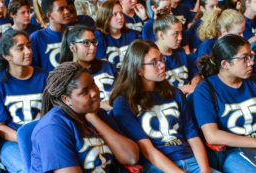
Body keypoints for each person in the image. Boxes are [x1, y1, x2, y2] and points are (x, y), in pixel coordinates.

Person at [109, 39, 216, 173]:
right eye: (154, 62)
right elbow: (147, 150)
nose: (162, 65)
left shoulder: (175, 93)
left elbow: (193, 136)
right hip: (158, 166)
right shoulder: (124, 102)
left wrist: (205, 170)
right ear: (138, 69)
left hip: (191, 160)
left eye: (162, 59)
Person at [30, 62, 139, 173]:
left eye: (93, 84)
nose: (94, 93)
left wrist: (94, 118)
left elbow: (131, 157)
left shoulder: (97, 114)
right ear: (66, 99)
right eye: (84, 92)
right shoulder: (52, 128)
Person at [193, 34, 256, 173]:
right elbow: (212, 135)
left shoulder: (253, 81)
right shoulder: (205, 90)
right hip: (232, 151)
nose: (251, 62)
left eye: (251, 56)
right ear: (225, 64)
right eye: (245, 58)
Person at [0, 30, 48, 173]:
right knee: (27, 169)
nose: (28, 51)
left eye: (29, 46)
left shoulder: (44, 77)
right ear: (6, 56)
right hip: (12, 142)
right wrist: (27, 139)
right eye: (20, 48)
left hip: (45, 139)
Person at [60, 25, 117, 111]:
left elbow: (123, 92)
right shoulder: (65, 75)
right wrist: (100, 105)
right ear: (72, 48)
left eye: (94, 42)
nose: (92, 47)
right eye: (86, 43)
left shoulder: (108, 66)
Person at [154, 10, 198, 95]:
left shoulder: (180, 51)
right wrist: (183, 89)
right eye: (175, 34)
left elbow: (194, 75)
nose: (180, 38)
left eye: (181, 33)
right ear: (161, 35)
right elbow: (156, 92)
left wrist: (193, 84)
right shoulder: (151, 58)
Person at [95, 0, 139, 71]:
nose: (120, 17)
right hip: (112, 77)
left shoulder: (132, 34)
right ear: (105, 17)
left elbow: (139, 61)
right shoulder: (99, 35)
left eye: (121, 13)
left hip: (132, 75)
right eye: (115, 14)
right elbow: (103, 66)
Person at [30, 0, 70, 72]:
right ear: (49, 15)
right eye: (61, 9)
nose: (67, 11)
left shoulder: (76, 32)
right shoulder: (37, 37)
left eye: (67, 7)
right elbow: (34, 68)